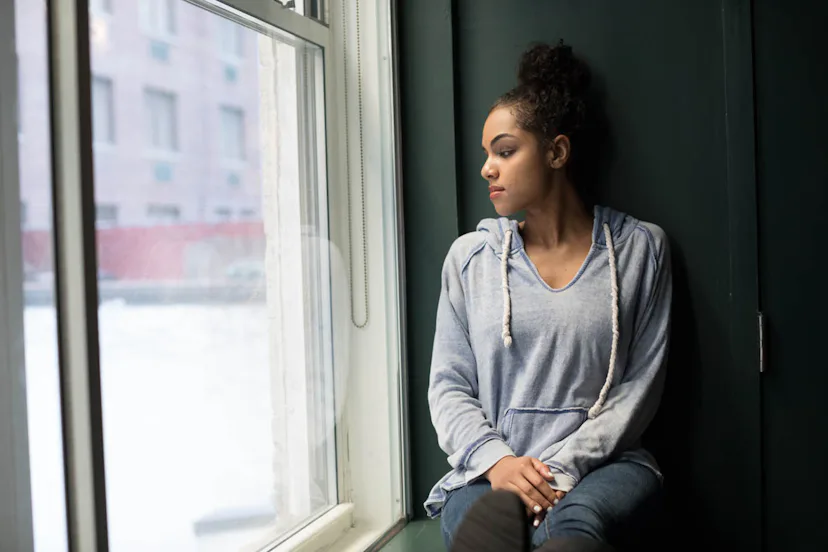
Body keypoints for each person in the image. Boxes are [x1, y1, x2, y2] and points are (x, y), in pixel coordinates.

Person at [425, 41, 672, 551]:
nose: (487, 168)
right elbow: (448, 386)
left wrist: (558, 471)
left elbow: (639, 388)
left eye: (505, 150)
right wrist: (500, 463)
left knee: (574, 529)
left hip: (606, 465)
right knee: (484, 528)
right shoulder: (470, 259)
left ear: (557, 152)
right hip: (492, 469)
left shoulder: (639, 250)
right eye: (486, 154)